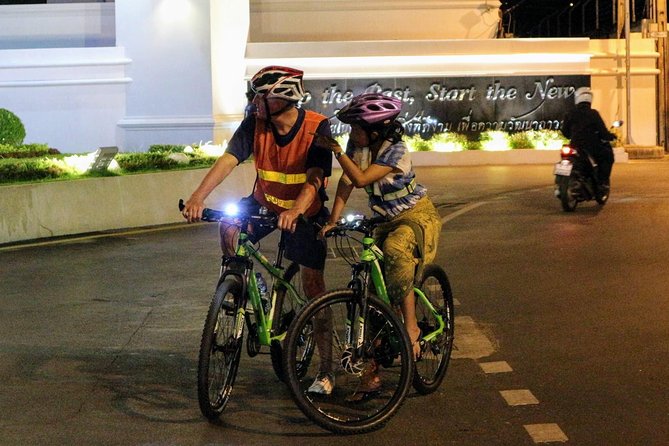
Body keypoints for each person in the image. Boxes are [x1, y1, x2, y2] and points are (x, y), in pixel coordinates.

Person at [181, 65, 335, 394]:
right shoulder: (255, 124)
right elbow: (228, 160)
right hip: (264, 203)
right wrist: (197, 197)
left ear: (282, 97)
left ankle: (326, 371)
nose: (253, 102)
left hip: (305, 213)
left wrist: (296, 209)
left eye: (259, 96)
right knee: (228, 225)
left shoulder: (317, 127)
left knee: (313, 286)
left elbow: (316, 178)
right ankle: (251, 286)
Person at [314, 92, 442, 396]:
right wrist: (333, 220)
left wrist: (334, 150)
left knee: (397, 254)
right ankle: (370, 375)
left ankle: (410, 328)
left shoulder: (396, 151)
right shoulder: (356, 148)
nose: (350, 134)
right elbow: (345, 182)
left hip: (415, 215)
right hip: (383, 219)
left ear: (375, 130)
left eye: (356, 128)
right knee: (369, 285)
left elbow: (360, 179)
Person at [562, 86, 616, 193]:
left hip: (574, 146)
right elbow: (603, 131)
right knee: (608, 156)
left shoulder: (570, 113)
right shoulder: (593, 114)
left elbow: (565, 132)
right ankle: (602, 182)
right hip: (591, 147)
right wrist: (610, 136)